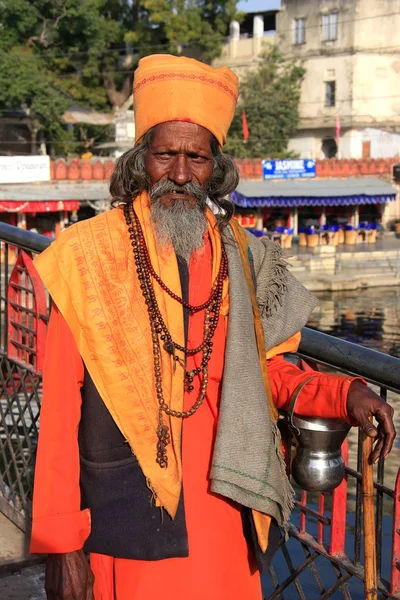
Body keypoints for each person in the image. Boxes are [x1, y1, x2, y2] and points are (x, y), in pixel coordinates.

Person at [30, 55, 396, 600]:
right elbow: (61, 410)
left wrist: (343, 392)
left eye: (196, 158)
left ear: (215, 166)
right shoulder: (85, 257)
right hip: (126, 517)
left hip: (226, 511)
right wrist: (63, 545)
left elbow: (268, 373)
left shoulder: (243, 259)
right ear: (140, 160)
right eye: (165, 156)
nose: (180, 175)